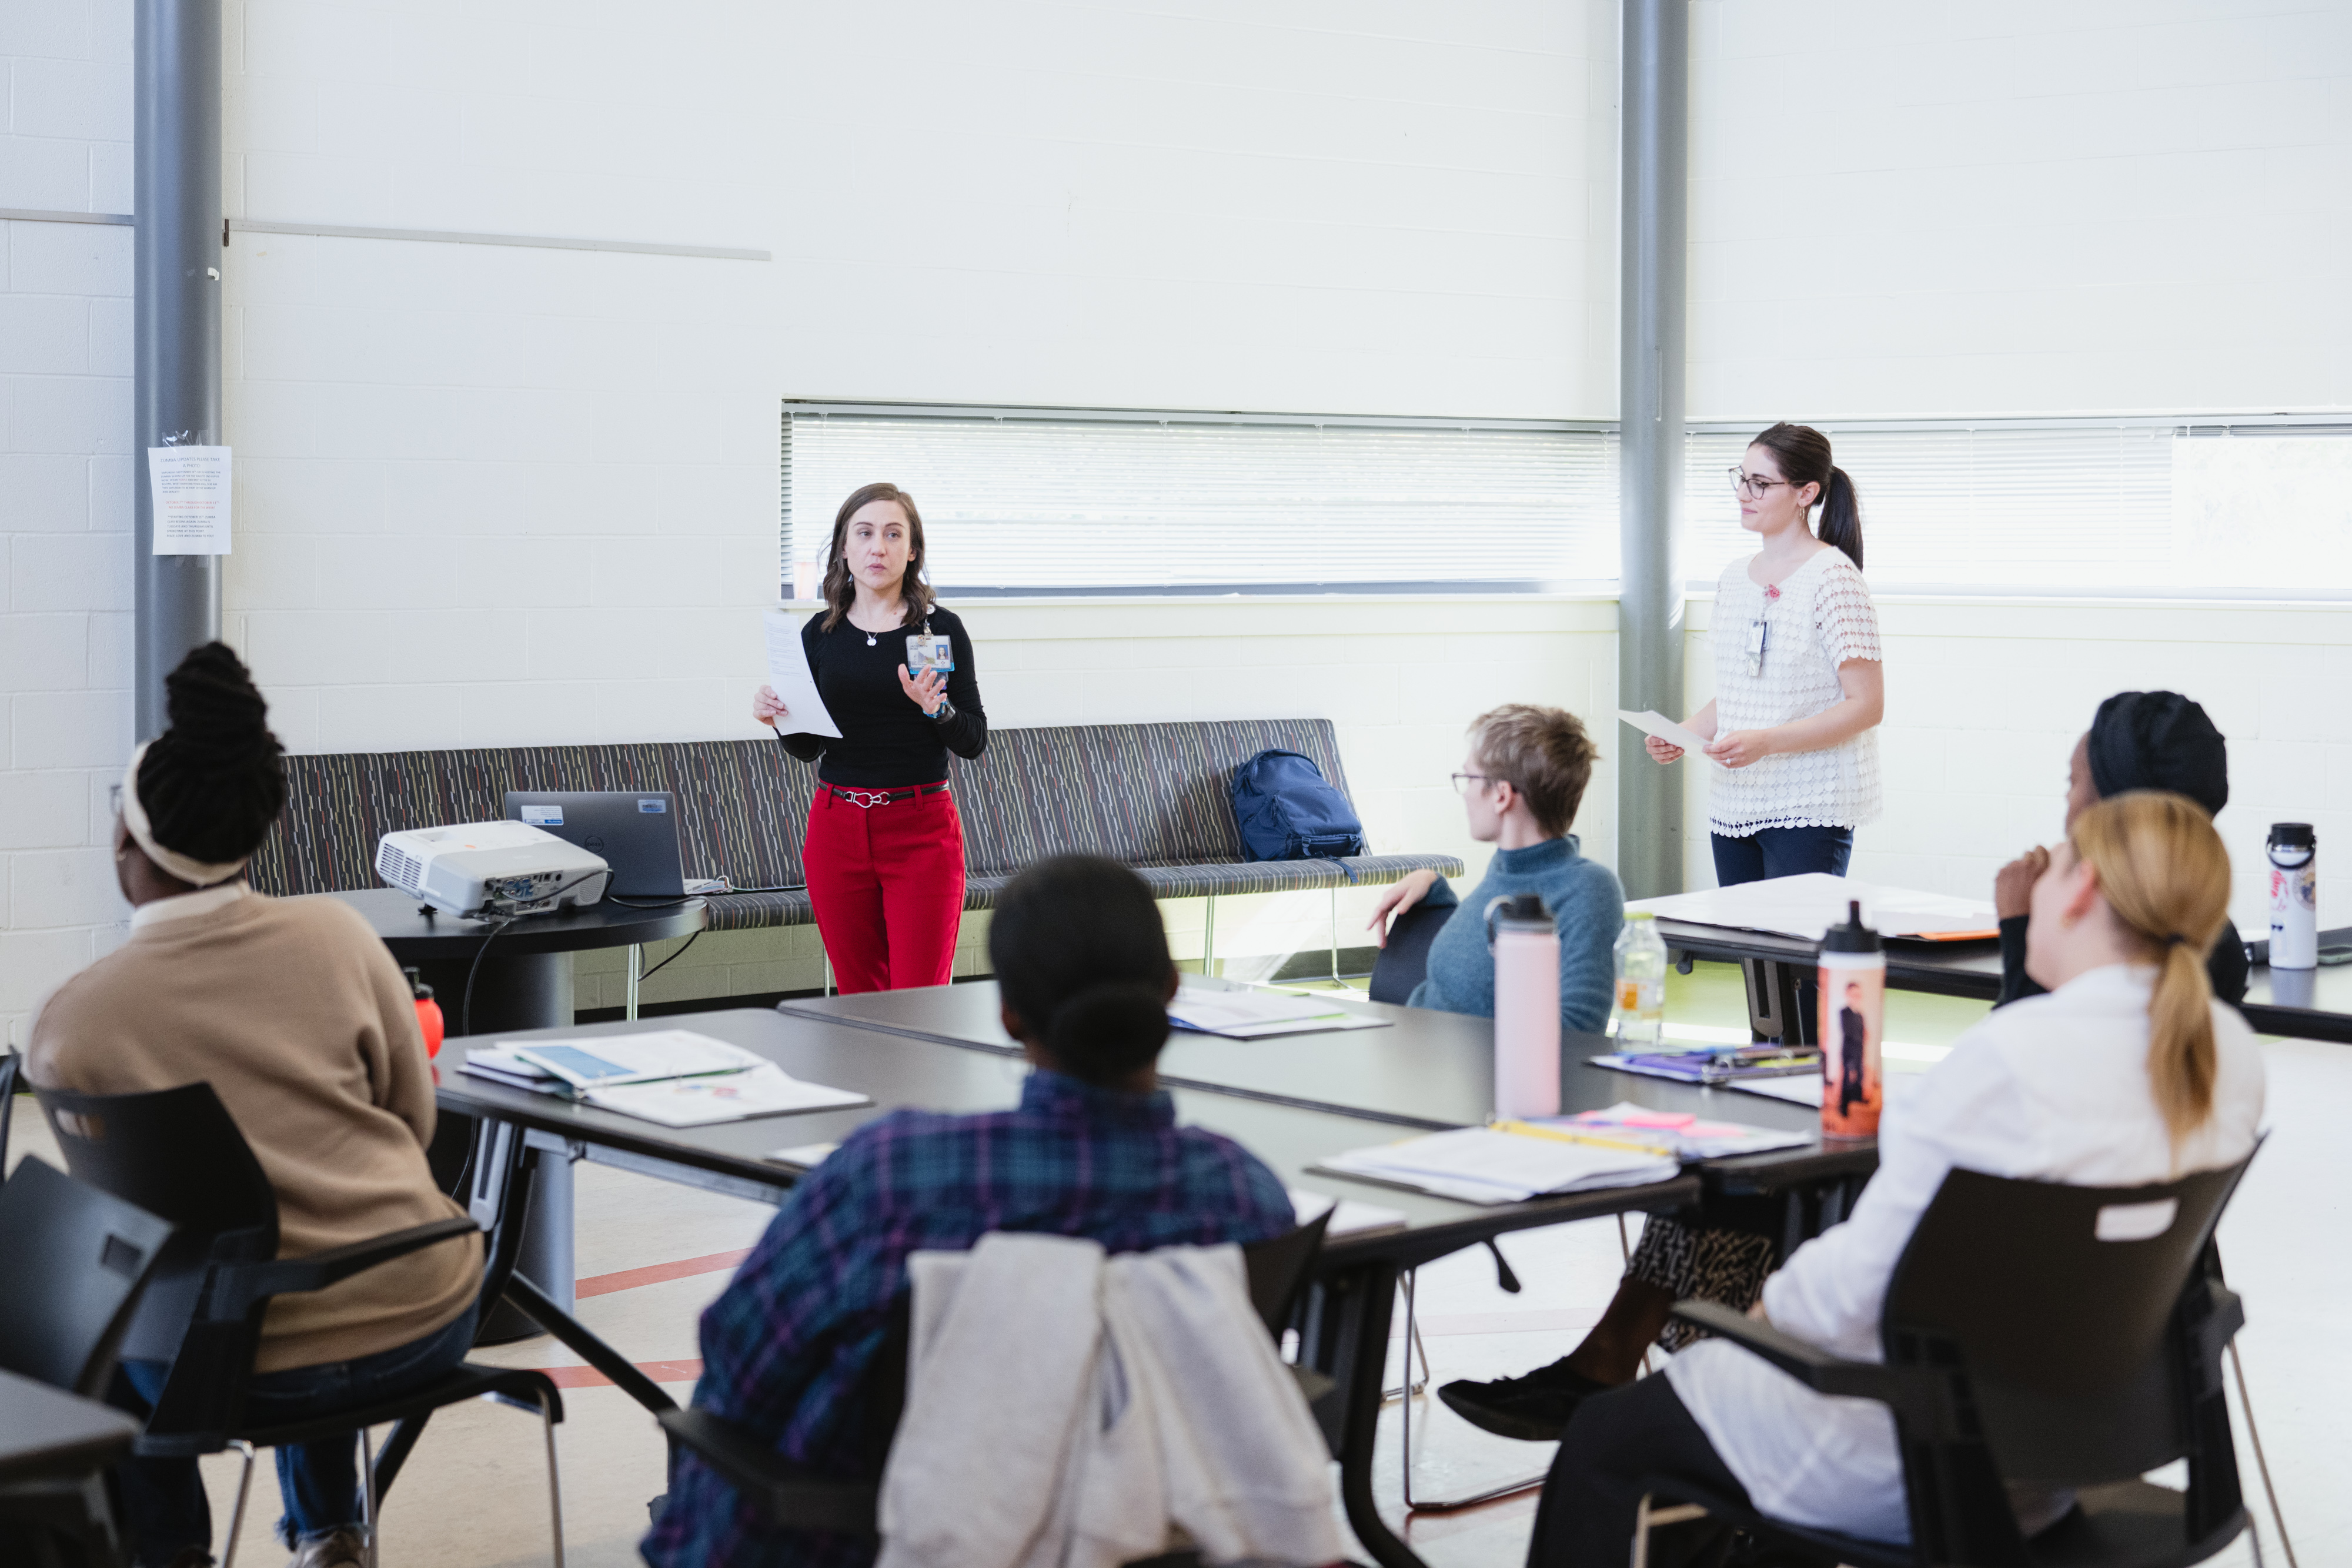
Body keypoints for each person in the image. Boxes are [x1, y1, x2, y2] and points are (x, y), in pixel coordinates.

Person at [1525, 790, 2265, 1566]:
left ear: (2080, 890)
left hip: (1917, 1452)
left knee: (1606, 1435)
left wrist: (1766, 1302)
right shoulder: (2227, 1054)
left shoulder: (2010, 1057)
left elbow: (1859, 1288)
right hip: (2056, 1457)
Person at [641, 855, 1298, 1568]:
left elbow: (744, 1359)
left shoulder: (890, 1180)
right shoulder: (1244, 1196)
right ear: (1171, 991)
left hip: (873, 1538)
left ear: (1008, 1013)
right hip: (1138, 1530)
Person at [26, 644, 482, 1568]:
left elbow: (131, 1228)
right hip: (421, 1315)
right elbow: (413, 1124)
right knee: (299, 1243)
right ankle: (333, 1531)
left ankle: (171, 1552)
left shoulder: (73, 1021)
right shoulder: (339, 936)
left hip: (223, 1371)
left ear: (125, 840)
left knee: (117, 1324)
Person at [753, 482, 987, 992]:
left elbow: (973, 740)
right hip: (837, 832)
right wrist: (782, 721)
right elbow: (809, 749)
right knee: (859, 998)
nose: (877, 547)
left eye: (892, 534)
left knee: (919, 999)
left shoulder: (938, 631)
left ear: (913, 551)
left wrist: (938, 710)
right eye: (864, 533)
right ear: (844, 546)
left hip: (921, 831)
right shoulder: (818, 635)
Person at [1643, 422, 1884, 890]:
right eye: (1741, 477)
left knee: (1796, 954)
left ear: (1806, 493)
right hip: (1736, 802)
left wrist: (1768, 742)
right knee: (1750, 954)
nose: (1743, 493)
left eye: (1760, 483)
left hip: (1810, 803)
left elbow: (1867, 706)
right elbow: (1742, 691)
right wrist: (1684, 734)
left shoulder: (1834, 578)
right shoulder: (1734, 578)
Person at [1366, 704, 1622, 1034]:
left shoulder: (1589, 889)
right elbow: (1478, 972)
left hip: (1456, 1072)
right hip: (1415, 1052)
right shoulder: (1505, 870)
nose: (1466, 793)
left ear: (1501, 796)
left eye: (1469, 778)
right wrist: (1435, 888)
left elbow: (1576, 1032)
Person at [1994, 690, 2247, 1007]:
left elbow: (2027, 1041)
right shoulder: (2211, 933)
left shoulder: (2098, 940)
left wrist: (2017, 925)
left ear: (2107, 811)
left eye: (2072, 783)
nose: (2067, 800)